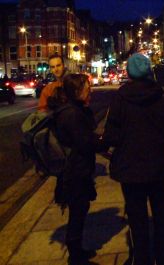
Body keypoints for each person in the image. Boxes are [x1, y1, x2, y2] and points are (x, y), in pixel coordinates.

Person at [103, 53, 164, 265]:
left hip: (131, 169)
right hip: (160, 167)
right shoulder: (162, 97)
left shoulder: (120, 98)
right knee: (162, 217)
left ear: (129, 73)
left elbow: (112, 135)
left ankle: (142, 258)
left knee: (137, 219)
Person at [49, 74, 105, 265]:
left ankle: (77, 250)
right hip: (75, 171)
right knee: (78, 210)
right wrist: (104, 142)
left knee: (80, 209)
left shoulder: (73, 110)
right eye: (87, 89)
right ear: (76, 92)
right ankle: (75, 256)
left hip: (76, 169)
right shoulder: (72, 114)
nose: (90, 92)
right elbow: (85, 142)